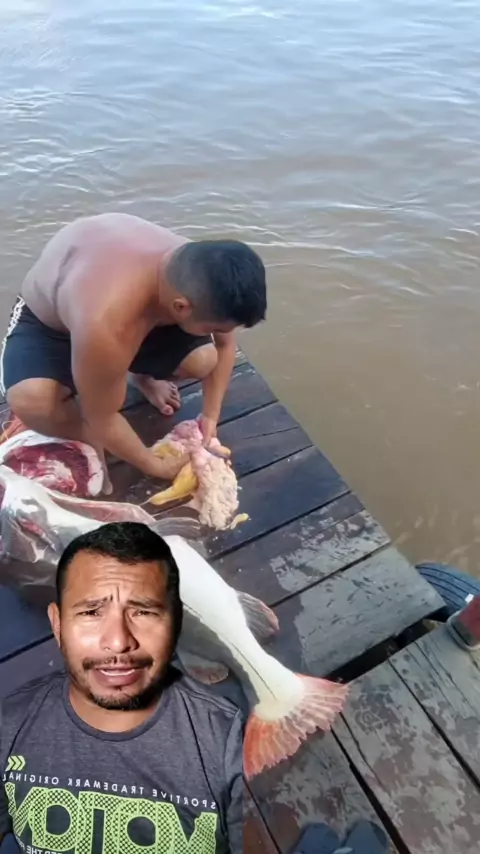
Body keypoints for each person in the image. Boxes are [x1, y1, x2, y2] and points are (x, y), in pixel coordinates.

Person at [0, 522, 243, 854]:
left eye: (143, 612)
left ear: (176, 622)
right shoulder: (9, 726)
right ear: (58, 625)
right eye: (91, 612)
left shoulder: (231, 744)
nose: (118, 641)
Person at [0, 213, 267, 491]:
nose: (223, 333)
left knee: (203, 360)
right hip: (50, 325)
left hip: (120, 318)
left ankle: (142, 377)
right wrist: (155, 466)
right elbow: (102, 416)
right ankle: (87, 440)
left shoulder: (206, 273)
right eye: (215, 327)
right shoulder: (107, 322)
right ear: (180, 307)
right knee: (34, 401)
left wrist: (210, 416)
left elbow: (224, 343)